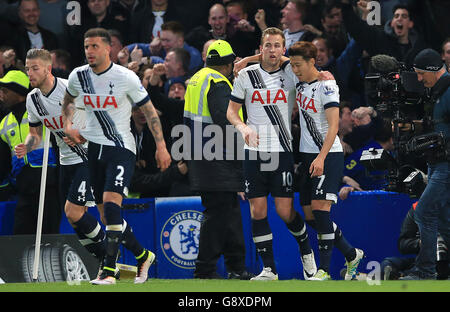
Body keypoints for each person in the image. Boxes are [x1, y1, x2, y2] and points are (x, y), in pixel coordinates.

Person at [62, 27, 172, 285]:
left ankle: (108, 271)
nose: (89, 51)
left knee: (112, 205)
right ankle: (143, 256)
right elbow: (69, 102)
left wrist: (161, 146)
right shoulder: (78, 76)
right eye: (86, 46)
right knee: (106, 215)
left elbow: (150, 111)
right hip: (92, 150)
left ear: (108, 48)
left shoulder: (126, 77)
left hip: (121, 148)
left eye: (94, 46)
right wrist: (71, 125)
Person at [227, 28, 317, 281]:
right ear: (261, 47)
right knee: (257, 211)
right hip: (254, 151)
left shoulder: (290, 73)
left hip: (282, 151)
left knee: (285, 211)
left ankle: (307, 254)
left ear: (283, 49)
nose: (273, 50)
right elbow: (231, 111)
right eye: (268, 45)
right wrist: (242, 126)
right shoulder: (246, 75)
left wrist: (246, 58)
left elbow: (300, 62)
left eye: (278, 45)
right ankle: (268, 270)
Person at [14, 48, 107, 265]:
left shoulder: (70, 89)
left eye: (35, 68)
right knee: (74, 219)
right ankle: (105, 260)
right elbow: (34, 134)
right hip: (65, 160)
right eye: (28, 69)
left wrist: (80, 135)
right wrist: (27, 147)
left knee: (73, 212)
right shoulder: (32, 99)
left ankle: (110, 255)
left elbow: (95, 120)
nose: (30, 74)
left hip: (89, 157)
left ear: (48, 68)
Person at [282, 41, 364, 280]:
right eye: (293, 65)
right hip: (308, 155)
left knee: (320, 210)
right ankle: (351, 254)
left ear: (312, 63)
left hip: (328, 155)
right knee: (310, 217)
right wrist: (246, 61)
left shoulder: (327, 85)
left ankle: (324, 271)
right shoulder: (299, 77)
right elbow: (278, 58)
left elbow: (334, 126)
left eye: (298, 65)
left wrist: (321, 157)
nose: (294, 69)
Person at [183, 39, 250, 279]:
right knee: (219, 212)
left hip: (201, 153)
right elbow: (226, 119)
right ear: (228, 63)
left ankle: (237, 268)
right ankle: (205, 269)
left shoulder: (199, 78)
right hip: (217, 156)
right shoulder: (218, 83)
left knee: (228, 211)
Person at [400, 48, 450, 280]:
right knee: (443, 217)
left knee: (425, 211)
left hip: (446, 164)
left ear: (432, 69)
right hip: (436, 162)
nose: (419, 79)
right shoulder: (436, 92)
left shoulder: (448, 91)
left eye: (421, 74)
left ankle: (425, 270)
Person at [0, 69, 61, 234]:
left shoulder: (41, 113)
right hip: (24, 189)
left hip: (48, 186)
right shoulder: (4, 123)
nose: (1, 95)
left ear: (19, 92)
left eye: (5, 90)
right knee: (21, 239)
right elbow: (4, 161)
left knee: (48, 239)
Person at [382, 202, 449, 280]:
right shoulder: (418, 207)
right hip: (423, 262)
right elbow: (402, 244)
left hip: (445, 264)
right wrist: (421, 243)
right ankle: (402, 277)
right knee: (386, 264)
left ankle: (407, 277)